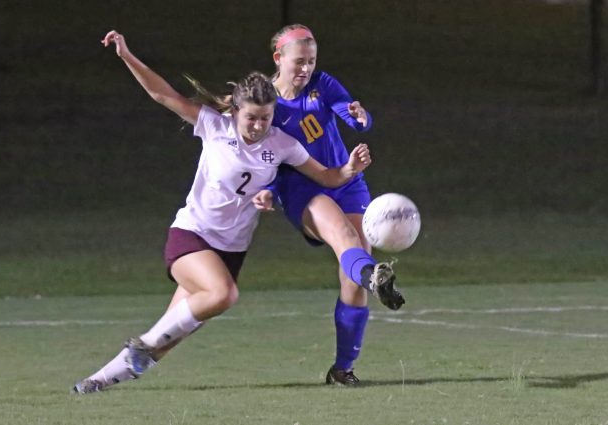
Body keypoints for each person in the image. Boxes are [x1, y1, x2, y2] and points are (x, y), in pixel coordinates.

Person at [72, 30, 374, 394]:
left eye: (265, 118)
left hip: (230, 250)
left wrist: (350, 169)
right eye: (251, 118)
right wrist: (126, 55)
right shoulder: (213, 125)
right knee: (224, 296)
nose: (258, 126)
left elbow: (327, 175)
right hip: (193, 234)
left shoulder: (282, 145)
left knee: (173, 330)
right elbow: (161, 93)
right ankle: (141, 346)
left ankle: (97, 381)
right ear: (235, 112)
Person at [256, 24, 406, 386]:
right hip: (302, 189)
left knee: (353, 279)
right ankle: (375, 276)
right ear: (278, 58)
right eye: (298, 62)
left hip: (347, 179)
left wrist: (359, 116)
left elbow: (356, 117)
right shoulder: (266, 105)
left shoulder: (321, 83)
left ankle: (342, 370)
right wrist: (269, 192)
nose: (305, 69)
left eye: (311, 61)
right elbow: (264, 157)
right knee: (343, 237)